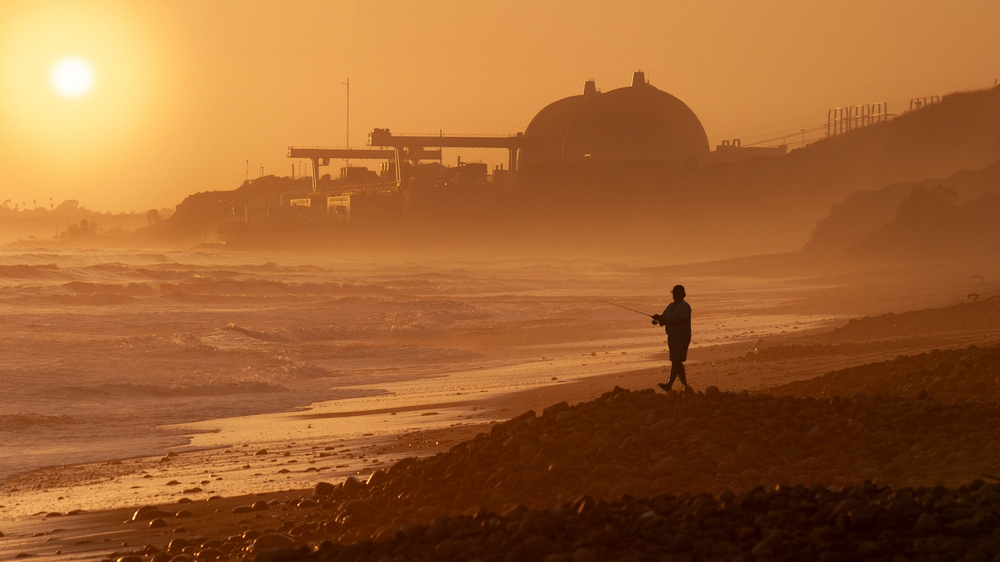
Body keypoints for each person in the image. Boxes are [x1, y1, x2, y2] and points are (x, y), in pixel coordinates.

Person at [651, 285, 691, 392]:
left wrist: (666, 322)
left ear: (683, 295)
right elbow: (664, 318)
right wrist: (658, 318)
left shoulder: (685, 306)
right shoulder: (670, 306)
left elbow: (682, 321)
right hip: (672, 337)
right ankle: (684, 385)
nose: (675, 295)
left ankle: (670, 384)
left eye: (677, 293)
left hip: (682, 336)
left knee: (675, 359)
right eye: (674, 293)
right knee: (676, 361)